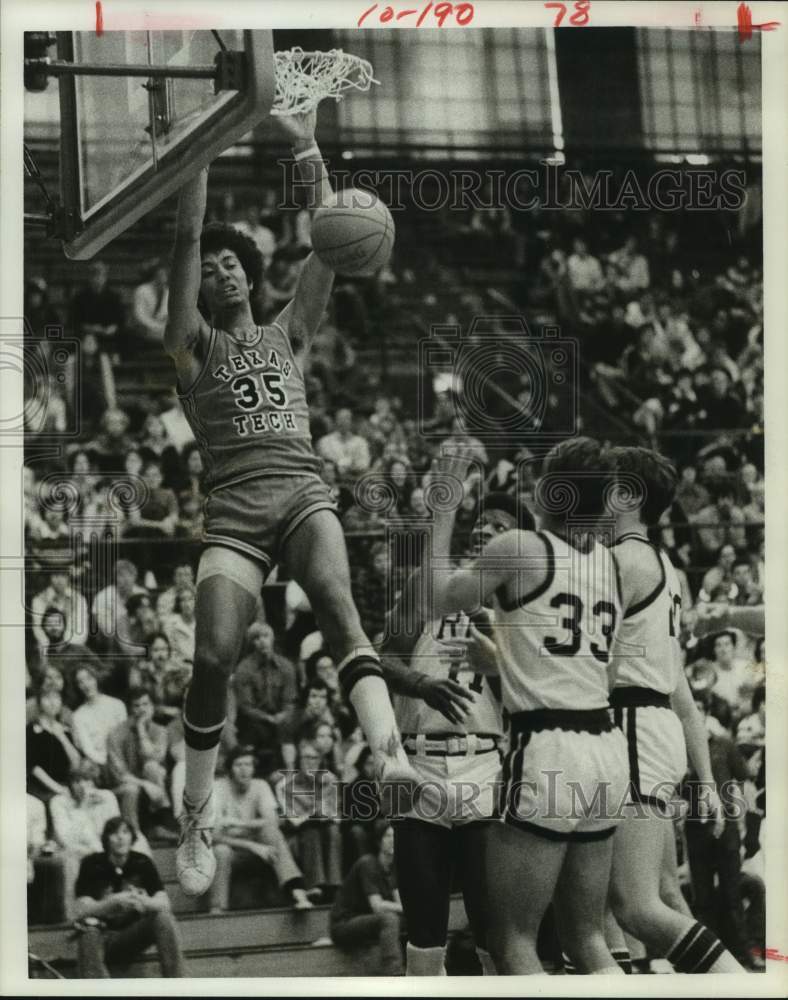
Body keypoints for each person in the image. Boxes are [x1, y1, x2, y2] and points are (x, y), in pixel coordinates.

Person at [164, 106, 415, 896]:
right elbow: (183, 242)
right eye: (212, 267)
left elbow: (331, 232)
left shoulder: (290, 330)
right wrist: (197, 154)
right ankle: (197, 805)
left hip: (303, 492)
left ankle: (390, 755)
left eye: (233, 263)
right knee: (212, 658)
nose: (222, 271)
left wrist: (308, 143)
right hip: (235, 513)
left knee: (338, 600)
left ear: (252, 271)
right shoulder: (191, 343)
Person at [428, 439, 629, 975]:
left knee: (513, 936)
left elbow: (435, 595)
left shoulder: (520, 547)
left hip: (548, 747)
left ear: (547, 488)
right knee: (587, 938)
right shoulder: (609, 563)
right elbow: (587, 671)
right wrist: (504, 660)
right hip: (606, 746)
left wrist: (444, 502)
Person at [600, 446, 743, 974]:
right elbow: (679, 685)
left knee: (634, 906)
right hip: (657, 725)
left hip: (633, 726)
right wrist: (704, 779)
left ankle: (736, 985)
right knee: (663, 894)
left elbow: (588, 659)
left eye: (605, 480)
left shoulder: (618, 561)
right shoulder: (667, 566)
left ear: (627, 496)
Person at [378, 491, 530, 976]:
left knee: (492, 928)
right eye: (480, 524)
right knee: (423, 933)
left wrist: (498, 654)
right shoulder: (430, 585)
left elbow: (534, 698)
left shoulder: (525, 604)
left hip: (485, 766)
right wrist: (420, 685)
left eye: (499, 526)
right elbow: (378, 660)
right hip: (420, 765)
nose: (484, 530)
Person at [73, 817, 185, 978]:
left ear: (132, 837)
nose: (120, 837)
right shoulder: (91, 863)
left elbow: (164, 904)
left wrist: (143, 902)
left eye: (125, 832)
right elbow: (81, 909)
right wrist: (114, 901)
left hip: (132, 935)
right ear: (106, 838)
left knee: (163, 918)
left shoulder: (142, 861)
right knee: (88, 932)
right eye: (114, 833)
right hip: (102, 937)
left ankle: (178, 984)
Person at [211, 746, 316, 911]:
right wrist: (253, 845)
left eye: (248, 765)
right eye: (239, 765)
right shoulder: (217, 788)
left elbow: (272, 822)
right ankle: (217, 909)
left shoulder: (260, 785)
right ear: (230, 769)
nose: (244, 770)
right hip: (234, 851)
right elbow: (213, 835)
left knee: (270, 832)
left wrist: (239, 824)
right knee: (220, 851)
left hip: (263, 848)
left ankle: (297, 892)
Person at [330, 823, 404, 976]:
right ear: (378, 841)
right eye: (388, 836)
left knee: (412, 919)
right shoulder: (368, 863)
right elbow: (377, 906)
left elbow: (400, 903)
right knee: (389, 919)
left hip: (367, 922)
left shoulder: (393, 868)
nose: (393, 840)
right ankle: (394, 973)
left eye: (396, 836)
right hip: (344, 923)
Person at [106, 688, 170, 835]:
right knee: (131, 789)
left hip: (155, 787)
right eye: (136, 706)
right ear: (130, 709)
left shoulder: (160, 731)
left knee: (152, 767)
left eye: (145, 704)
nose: (141, 709)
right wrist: (145, 784)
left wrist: (141, 730)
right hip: (123, 785)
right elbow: (119, 775)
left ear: (153, 707)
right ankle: (134, 833)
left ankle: (157, 825)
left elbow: (155, 758)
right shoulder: (116, 733)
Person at [231, 622, 298, 755]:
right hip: (255, 720)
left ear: (272, 638)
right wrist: (268, 718)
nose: (262, 641)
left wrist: (283, 715)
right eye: (257, 638)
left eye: (265, 636)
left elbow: (290, 700)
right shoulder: (244, 669)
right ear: (252, 643)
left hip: (281, 718)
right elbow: (246, 706)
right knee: (253, 728)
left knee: (292, 723)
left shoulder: (286, 666)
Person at [71, 665, 128, 780]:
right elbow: (87, 749)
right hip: (100, 764)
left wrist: (119, 760)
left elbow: (126, 738)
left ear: (96, 679)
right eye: (80, 682)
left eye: (89, 678)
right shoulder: (78, 716)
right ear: (77, 687)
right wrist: (105, 763)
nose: (86, 685)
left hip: (123, 758)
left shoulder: (117, 705)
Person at [26, 687, 82, 803]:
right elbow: (33, 767)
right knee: (61, 802)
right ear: (39, 703)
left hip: (66, 784)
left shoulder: (65, 730)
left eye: (56, 698)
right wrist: (59, 789)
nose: (52, 702)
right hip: (41, 787)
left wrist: (61, 737)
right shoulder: (31, 730)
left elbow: (75, 764)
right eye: (47, 698)